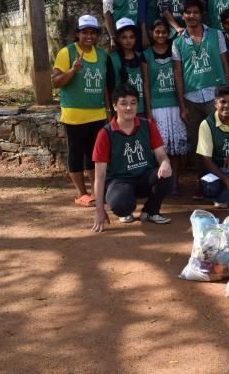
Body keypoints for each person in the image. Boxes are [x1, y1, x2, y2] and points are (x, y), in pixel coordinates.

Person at [91, 84, 174, 231]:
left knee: (167, 176)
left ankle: (150, 211)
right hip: (119, 182)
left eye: (133, 103)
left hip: (144, 177)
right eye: (123, 103)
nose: (129, 108)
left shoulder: (147, 125)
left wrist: (165, 163)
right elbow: (100, 175)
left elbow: (161, 155)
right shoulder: (105, 134)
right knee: (121, 203)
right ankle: (125, 210)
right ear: (115, 106)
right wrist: (99, 210)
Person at [172, 0, 229, 193]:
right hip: (191, 100)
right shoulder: (178, 42)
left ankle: (223, 183)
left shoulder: (216, 35)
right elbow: (178, 74)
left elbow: (225, 64)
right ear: (183, 16)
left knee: (219, 140)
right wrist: (182, 106)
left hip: (215, 97)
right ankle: (203, 184)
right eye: (188, 12)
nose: (191, 16)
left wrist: (228, 94)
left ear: (201, 15)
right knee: (198, 145)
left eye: (195, 12)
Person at [52, 15, 111, 207]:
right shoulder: (66, 52)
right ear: (78, 33)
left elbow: (105, 86)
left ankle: (96, 191)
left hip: (97, 113)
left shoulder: (102, 55)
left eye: (92, 32)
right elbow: (56, 82)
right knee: (76, 154)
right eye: (84, 32)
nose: (88, 36)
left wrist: (109, 109)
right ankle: (81, 193)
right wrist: (72, 70)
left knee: (94, 155)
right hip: (74, 115)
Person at [142, 19, 188, 196]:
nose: (161, 35)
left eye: (164, 32)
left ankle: (174, 183)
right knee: (160, 149)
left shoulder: (175, 49)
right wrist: (148, 111)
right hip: (157, 107)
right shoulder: (146, 54)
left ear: (169, 33)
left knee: (176, 148)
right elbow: (146, 84)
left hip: (175, 105)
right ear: (152, 33)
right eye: (157, 32)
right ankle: (161, 184)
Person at [107, 18, 147, 115]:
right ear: (118, 39)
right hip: (122, 113)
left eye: (131, 37)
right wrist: (110, 111)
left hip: (141, 110)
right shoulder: (112, 59)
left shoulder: (140, 56)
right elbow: (108, 88)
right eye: (124, 37)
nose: (128, 41)